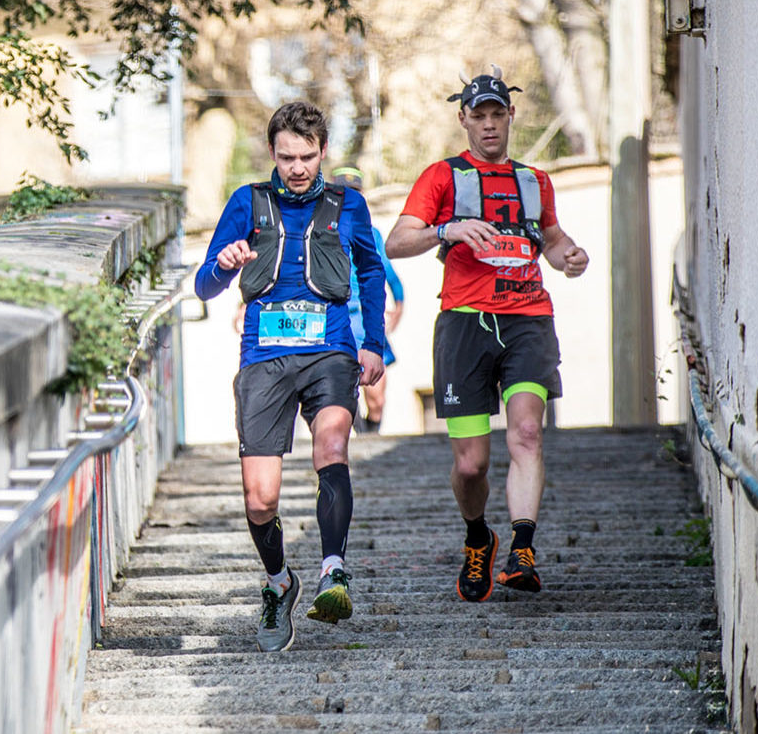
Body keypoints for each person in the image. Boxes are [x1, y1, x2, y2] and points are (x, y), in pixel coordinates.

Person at [382, 66, 590, 602]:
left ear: (511, 116)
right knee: (471, 463)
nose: (491, 125)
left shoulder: (534, 179)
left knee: (526, 433)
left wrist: (568, 255)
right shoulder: (442, 177)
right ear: (464, 121)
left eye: (499, 114)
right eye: (480, 116)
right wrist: (445, 229)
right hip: (465, 324)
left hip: (528, 319)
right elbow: (396, 243)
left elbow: (550, 237)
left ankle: (523, 549)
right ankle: (480, 537)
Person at [194, 102, 388, 651]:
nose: (297, 167)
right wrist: (224, 265)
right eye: (286, 157)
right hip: (264, 357)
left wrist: (372, 343)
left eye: (306, 156)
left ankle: (333, 570)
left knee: (332, 444)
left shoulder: (347, 204)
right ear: (271, 154)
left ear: (323, 151)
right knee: (260, 499)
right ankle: (280, 583)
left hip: (331, 349)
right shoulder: (247, 203)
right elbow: (203, 288)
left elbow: (371, 271)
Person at [331, 167, 405, 435]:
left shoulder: (371, 233)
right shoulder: (321, 230)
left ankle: (371, 434)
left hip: (365, 317)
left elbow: (388, 273)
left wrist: (399, 305)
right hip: (337, 317)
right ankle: (360, 438)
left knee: (377, 397)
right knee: (342, 391)